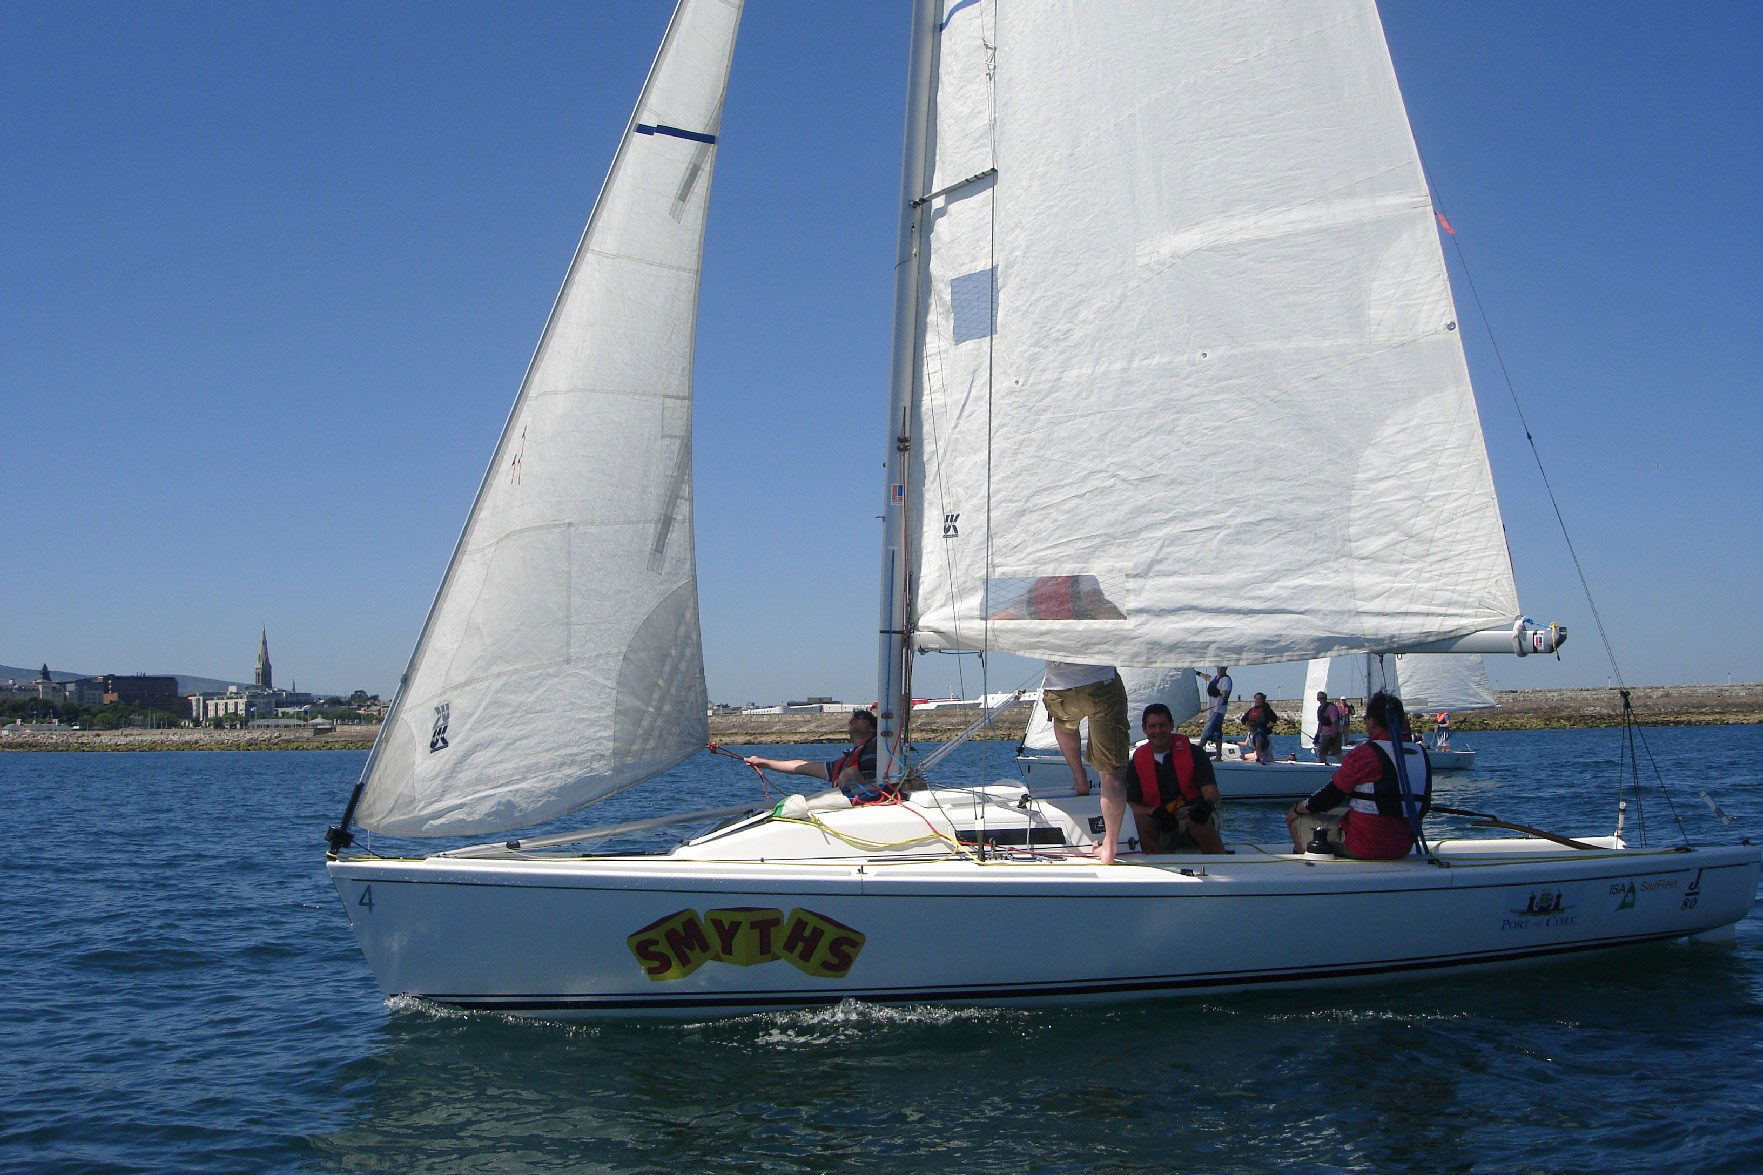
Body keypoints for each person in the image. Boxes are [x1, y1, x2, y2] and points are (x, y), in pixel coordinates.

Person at [1285, 690, 1432, 860]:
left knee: (1297, 818)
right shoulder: (1421, 754)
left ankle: (1310, 867)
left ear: (1372, 721)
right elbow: (1424, 805)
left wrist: (1298, 808)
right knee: (1338, 812)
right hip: (1402, 847)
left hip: (1365, 846)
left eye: (1366, 718)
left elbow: (1331, 796)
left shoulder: (1365, 754)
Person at [1042, 661, 1131, 864]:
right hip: (1101, 683)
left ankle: (1079, 776)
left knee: (1063, 723)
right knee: (1110, 772)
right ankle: (1109, 847)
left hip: (1060, 690)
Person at [1128, 704, 1226, 854]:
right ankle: (1159, 863)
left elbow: (1211, 791)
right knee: (1136, 823)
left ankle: (1219, 859)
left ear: (1172, 725)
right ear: (1144, 729)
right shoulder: (1135, 764)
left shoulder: (1195, 754)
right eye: (1152, 726)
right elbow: (1131, 805)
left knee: (1200, 821)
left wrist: (1206, 806)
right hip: (1160, 821)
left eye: (1163, 725)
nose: (1158, 731)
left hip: (1191, 817)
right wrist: (1155, 812)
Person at [745, 710, 889, 802]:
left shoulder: (880, 744)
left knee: (849, 774)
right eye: (852, 719)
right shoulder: (844, 762)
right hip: (851, 803)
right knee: (847, 772)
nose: (854, 719)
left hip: (874, 799)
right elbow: (802, 766)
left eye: (860, 717)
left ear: (873, 728)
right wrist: (763, 762)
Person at [1194, 666, 1233, 760]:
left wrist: (1225, 697)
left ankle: (1196, 753)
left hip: (1218, 711)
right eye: (1219, 667)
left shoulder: (1225, 680)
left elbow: (1225, 691)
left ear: (1226, 668)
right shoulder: (1215, 678)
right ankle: (1218, 756)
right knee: (1217, 733)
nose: (1220, 669)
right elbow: (1207, 677)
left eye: (1222, 668)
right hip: (1212, 711)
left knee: (1208, 731)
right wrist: (1197, 673)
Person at [1237, 692, 1284, 764]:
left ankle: (1261, 760)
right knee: (1256, 750)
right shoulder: (1252, 710)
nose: (1257, 701)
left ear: (1263, 700)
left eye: (1259, 699)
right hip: (1253, 733)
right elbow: (1243, 720)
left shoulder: (1266, 709)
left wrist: (1267, 727)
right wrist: (1250, 726)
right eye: (1256, 699)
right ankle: (1260, 758)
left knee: (1262, 751)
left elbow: (1274, 719)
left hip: (1263, 734)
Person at [1313, 691, 1344, 765]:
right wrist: (1317, 735)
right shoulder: (1320, 709)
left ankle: (1344, 765)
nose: (1321, 700)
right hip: (1325, 734)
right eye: (1320, 699)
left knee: (1336, 751)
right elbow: (1320, 723)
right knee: (1321, 751)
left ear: (1326, 698)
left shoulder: (1331, 708)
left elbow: (1334, 722)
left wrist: (1333, 735)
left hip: (1334, 733)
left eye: (1323, 698)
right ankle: (1324, 765)